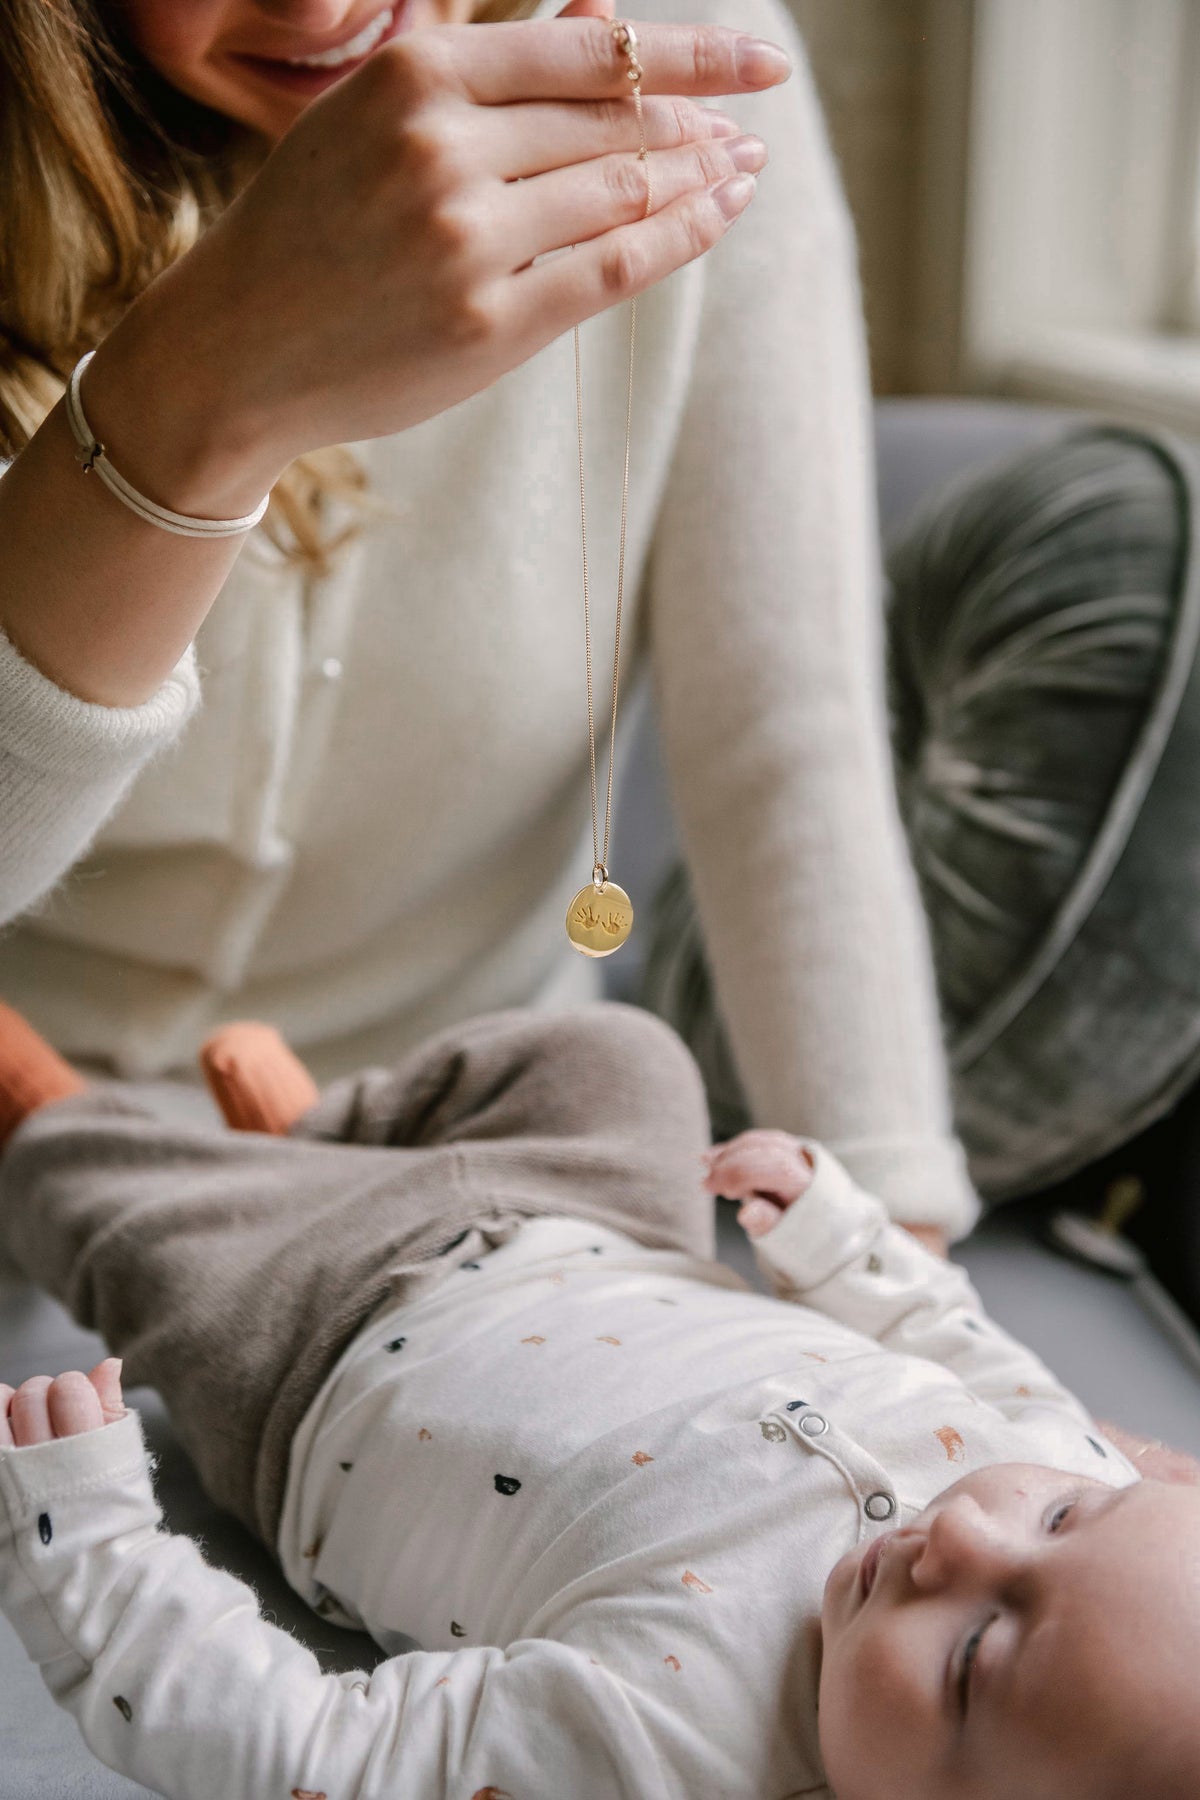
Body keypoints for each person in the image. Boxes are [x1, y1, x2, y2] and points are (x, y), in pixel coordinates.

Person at [0, 0, 980, 1263]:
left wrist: (904, 1290)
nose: (319, 7)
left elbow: (786, 741)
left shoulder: (690, 63)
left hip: (491, 1173)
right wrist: (203, 385)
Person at [1, 999, 1198, 1799]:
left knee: (126, 1220)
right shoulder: (1084, 1461)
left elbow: (319, 1755)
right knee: (621, 1060)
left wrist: (93, 1546)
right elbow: (960, 1338)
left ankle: (66, 1118)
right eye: (1059, 1520)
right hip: (600, 1224)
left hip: (316, 1354)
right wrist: (843, 1239)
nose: (962, 1537)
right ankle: (322, 1140)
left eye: (976, 1656)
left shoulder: (667, 1752)